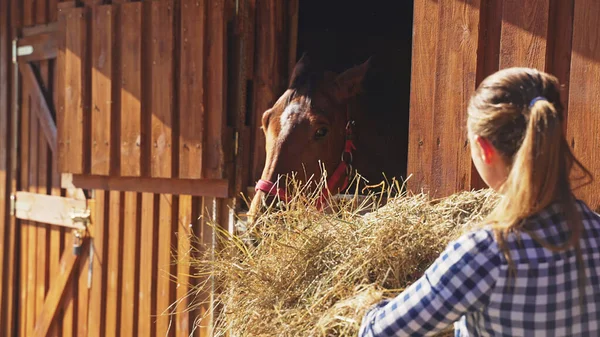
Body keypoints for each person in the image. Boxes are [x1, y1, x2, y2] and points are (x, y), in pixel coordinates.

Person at [358, 67, 599, 336]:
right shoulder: (596, 233)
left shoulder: (488, 253)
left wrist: (369, 309)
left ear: (484, 149)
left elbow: (379, 332)